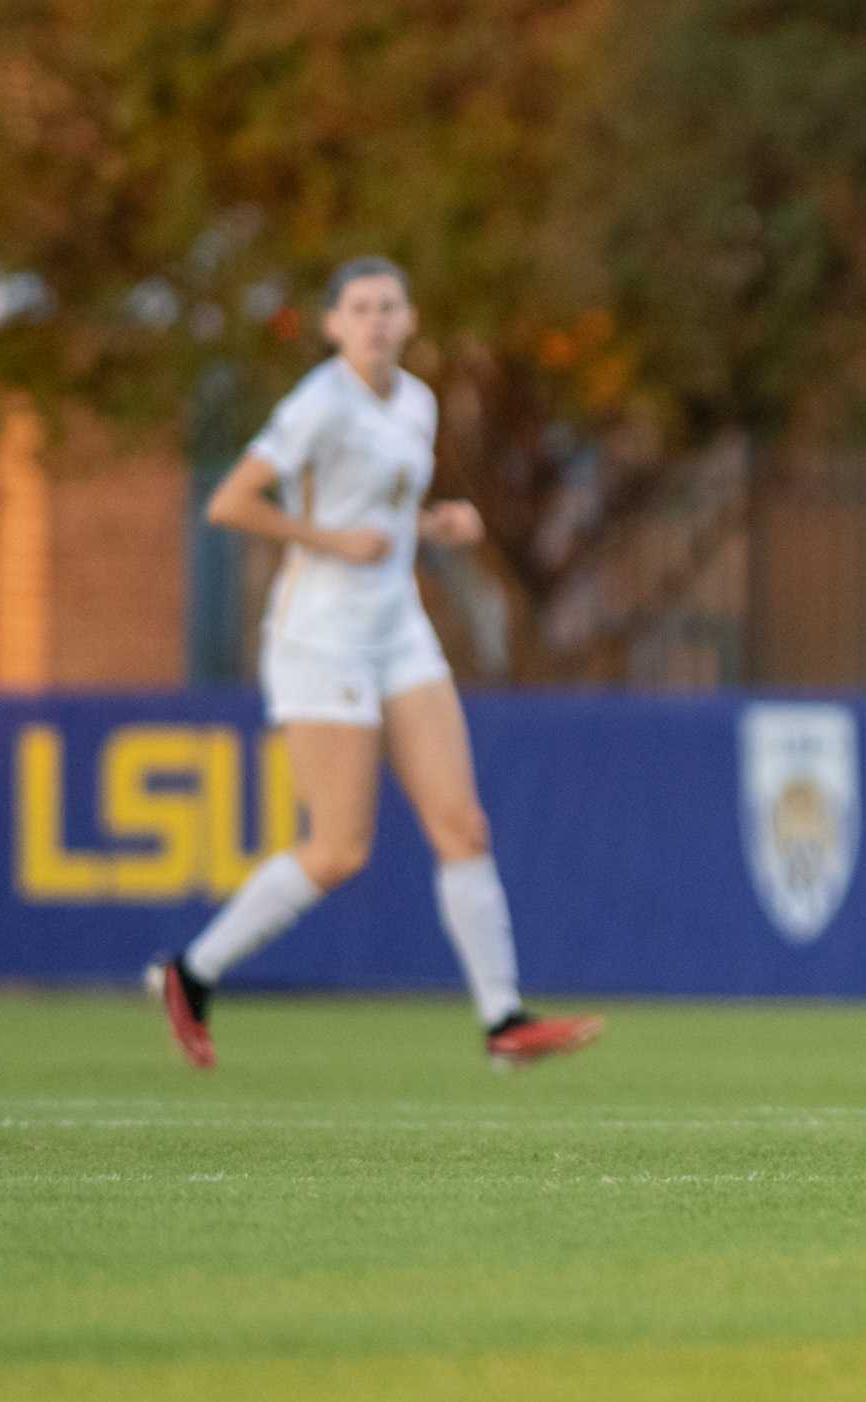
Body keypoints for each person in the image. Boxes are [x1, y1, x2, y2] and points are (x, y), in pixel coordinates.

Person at [147, 257, 603, 1072]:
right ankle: (193, 972)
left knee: (462, 826)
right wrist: (330, 543)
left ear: (411, 317)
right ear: (332, 325)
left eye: (389, 306)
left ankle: (503, 1021)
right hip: (320, 637)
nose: (376, 321)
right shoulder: (319, 404)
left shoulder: (418, 402)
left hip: (399, 629)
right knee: (340, 850)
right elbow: (231, 503)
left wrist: (437, 524)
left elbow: (380, 514)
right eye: (359, 309)